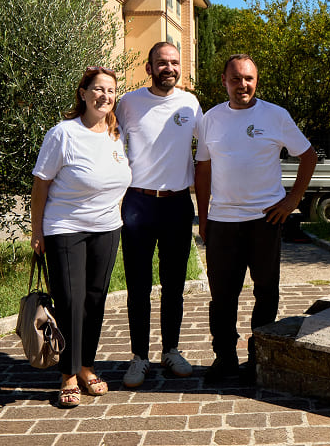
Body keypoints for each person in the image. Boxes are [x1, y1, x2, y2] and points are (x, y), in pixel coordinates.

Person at [195, 53, 318, 384]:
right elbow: (203, 167)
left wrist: (292, 200)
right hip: (222, 221)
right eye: (235, 79)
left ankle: (259, 355)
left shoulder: (275, 116)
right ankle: (225, 357)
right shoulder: (210, 118)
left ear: (256, 80)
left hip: (266, 220)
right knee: (223, 294)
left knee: (266, 291)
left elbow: (308, 156)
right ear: (224, 81)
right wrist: (203, 217)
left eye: (248, 78)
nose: (242, 85)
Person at [31, 66, 132, 408]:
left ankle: (87, 366)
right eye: (98, 89)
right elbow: (41, 184)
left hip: (107, 228)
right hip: (65, 228)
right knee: (71, 302)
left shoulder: (116, 134)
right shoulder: (63, 133)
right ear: (84, 93)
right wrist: (37, 231)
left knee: (94, 300)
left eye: (111, 91)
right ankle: (68, 374)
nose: (105, 96)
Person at [116, 42, 202, 388]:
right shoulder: (129, 103)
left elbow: (212, 149)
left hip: (178, 204)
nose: (169, 67)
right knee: (138, 286)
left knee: (174, 285)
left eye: (174, 62)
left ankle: (171, 350)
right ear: (149, 67)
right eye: (161, 63)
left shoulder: (190, 103)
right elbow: (108, 141)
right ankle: (139, 357)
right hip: (138, 204)